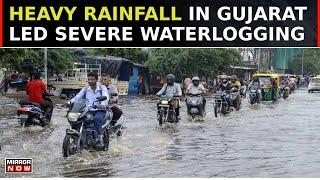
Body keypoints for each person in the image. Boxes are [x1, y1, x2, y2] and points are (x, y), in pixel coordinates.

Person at [68, 72, 109, 149]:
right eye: (89, 79)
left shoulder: (102, 88)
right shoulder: (86, 89)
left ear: (96, 80)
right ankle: (79, 136)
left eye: (92, 79)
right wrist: (69, 102)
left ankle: (99, 140)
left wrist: (102, 104)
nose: (90, 81)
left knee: (97, 119)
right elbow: (78, 97)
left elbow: (105, 97)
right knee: (78, 119)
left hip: (99, 109)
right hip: (88, 110)